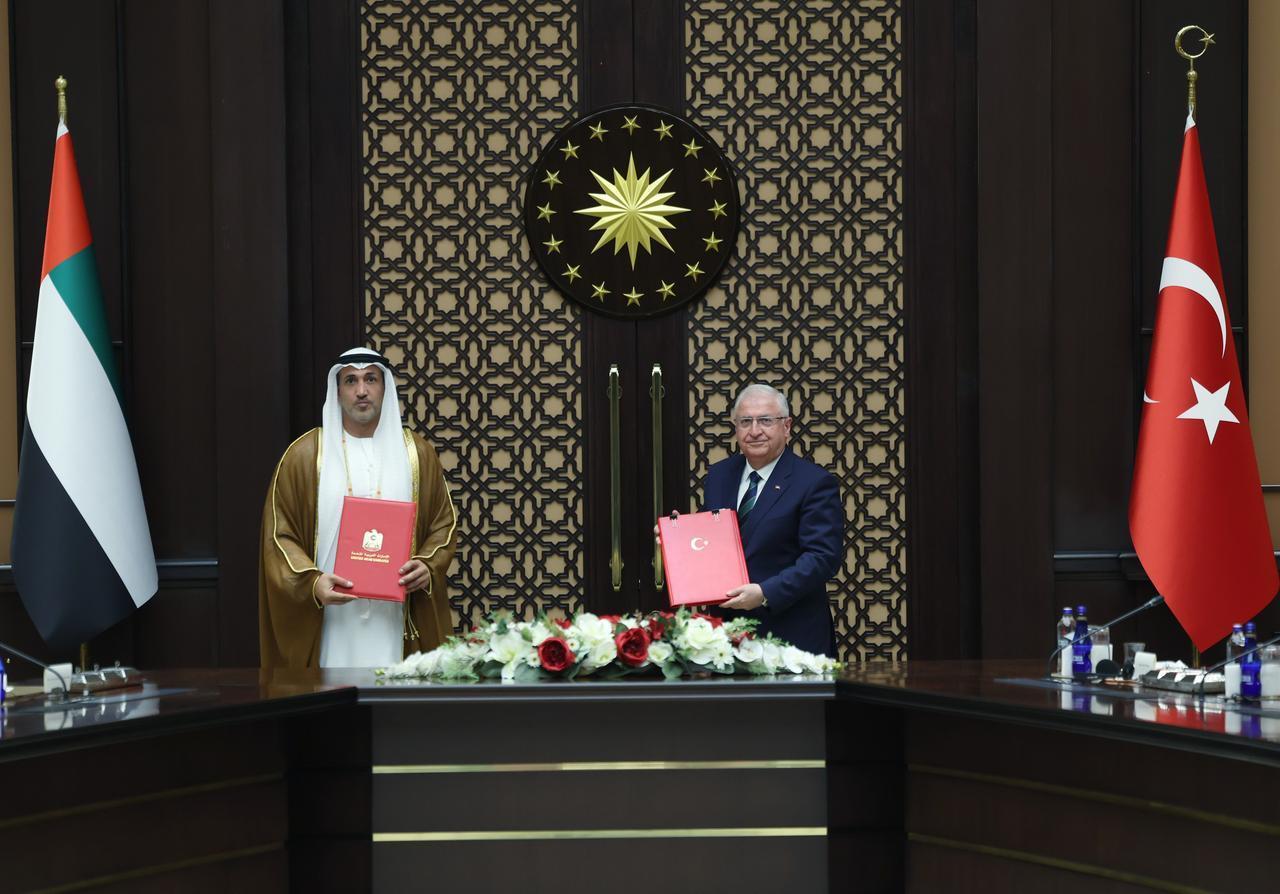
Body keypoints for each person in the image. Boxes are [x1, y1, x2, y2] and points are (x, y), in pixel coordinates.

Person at [258, 347, 457, 668]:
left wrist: (428, 564)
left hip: (397, 617)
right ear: (337, 391)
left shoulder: (416, 454)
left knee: (395, 704)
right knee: (333, 709)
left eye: (370, 379)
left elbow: (442, 525)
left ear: (385, 387)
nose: (361, 390)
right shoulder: (305, 455)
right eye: (350, 380)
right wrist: (312, 582)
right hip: (331, 616)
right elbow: (279, 536)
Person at [703, 383, 843, 656]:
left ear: (787, 427)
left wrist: (765, 592)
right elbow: (713, 537)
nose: (754, 431)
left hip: (791, 637)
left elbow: (822, 558)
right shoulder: (719, 475)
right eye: (745, 421)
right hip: (728, 637)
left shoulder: (814, 482)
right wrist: (679, 540)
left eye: (765, 420)